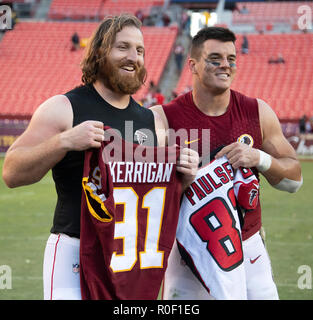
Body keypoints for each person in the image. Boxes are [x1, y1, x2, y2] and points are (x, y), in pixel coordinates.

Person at [2, 14, 198, 300]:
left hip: (128, 260)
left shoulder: (150, 122)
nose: (133, 57)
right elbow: (11, 172)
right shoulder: (64, 107)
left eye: (140, 50)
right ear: (99, 53)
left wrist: (187, 178)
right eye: (123, 47)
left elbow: (156, 201)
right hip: (74, 252)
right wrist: (64, 141)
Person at [151, 26, 302, 300]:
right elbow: (142, 197)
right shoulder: (161, 118)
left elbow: (294, 180)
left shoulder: (257, 112)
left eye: (231, 58)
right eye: (215, 58)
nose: (225, 65)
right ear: (193, 65)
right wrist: (178, 180)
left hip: (246, 248)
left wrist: (260, 158)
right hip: (188, 253)